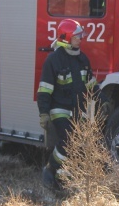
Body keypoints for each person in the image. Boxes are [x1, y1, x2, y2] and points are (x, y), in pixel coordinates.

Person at [38, 19, 98, 190]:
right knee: (67, 140)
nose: (80, 39)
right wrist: (44, 113)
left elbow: (91, 86)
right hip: (59, 108)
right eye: (77, 37)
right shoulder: (54, 60)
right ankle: (51, 169)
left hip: (78, 108)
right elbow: (44, 89)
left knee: (80, 144)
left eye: (80, 36)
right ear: (66, 38)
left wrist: (104, 102)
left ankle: (63, 180)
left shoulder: (82, 59)